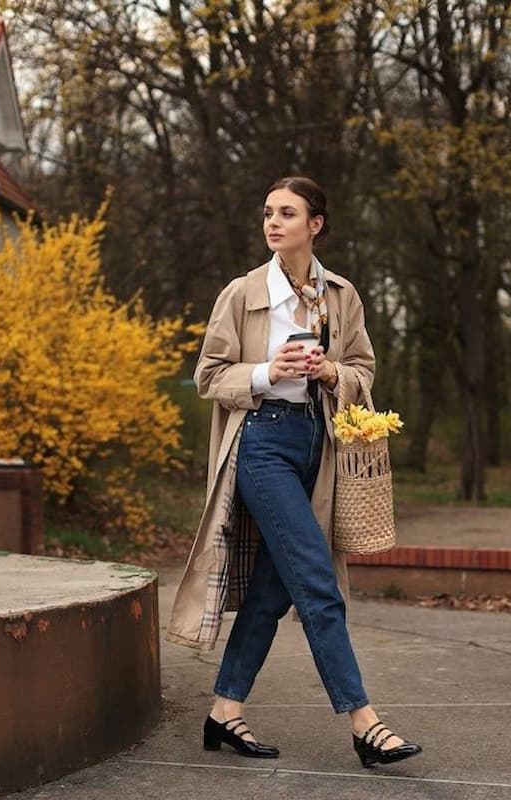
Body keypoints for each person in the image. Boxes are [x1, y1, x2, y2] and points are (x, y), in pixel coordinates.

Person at [166, 176, 422, 768]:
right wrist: (264, 371)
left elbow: (363, 369)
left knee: (271, 592)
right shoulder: (241, 292)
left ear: (316, 224)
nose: (273, 223)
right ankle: (364, 722)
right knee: (315, 580)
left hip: (319, 443)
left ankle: (224, 711)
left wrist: (332, 372)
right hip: (260, 443)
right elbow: (209, 375)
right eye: (268, 213)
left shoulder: (342, 296)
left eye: (288, 213)